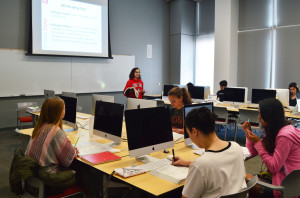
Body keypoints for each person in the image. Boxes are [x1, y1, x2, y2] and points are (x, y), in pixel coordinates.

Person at [173, 107, 246, 197]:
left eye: (189, 133)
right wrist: (187, 163)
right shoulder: (236, 146)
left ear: (194, 131)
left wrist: (195, 165)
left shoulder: (200, 165)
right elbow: (218, 162)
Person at [242, 98, 300, 198]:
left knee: (241, 177)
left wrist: (257, 142)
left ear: (270, 116)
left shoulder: (284, 136)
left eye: (261, 114)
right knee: (243, 178)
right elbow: (253, 152)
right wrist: (249, 136)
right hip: (282, 179)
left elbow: (273, 167)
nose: (258, 117)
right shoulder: (276, 129)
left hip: (285, 188)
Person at [25, 97, 79, 194]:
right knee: (82, 171)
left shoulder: (39, 127)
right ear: (58, 112)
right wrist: (73, 151)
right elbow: (68, 159)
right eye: (64, 108)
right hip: (49, 180)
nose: (65, 110)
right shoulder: (55, 131)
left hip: (33, 178)